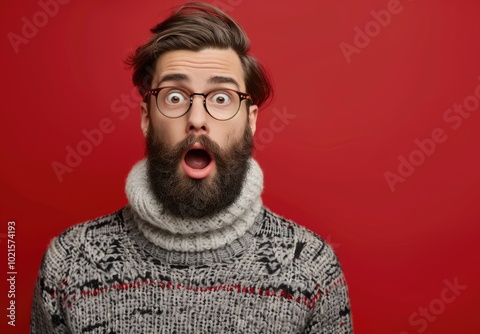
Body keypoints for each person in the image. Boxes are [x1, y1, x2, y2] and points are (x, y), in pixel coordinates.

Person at [30, 2, 353, 333]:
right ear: (146, 118)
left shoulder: (310, 268)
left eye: (221, 98)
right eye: (174, 97)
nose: (197, 120)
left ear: (250, 121)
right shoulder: (69, 262)